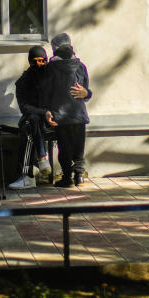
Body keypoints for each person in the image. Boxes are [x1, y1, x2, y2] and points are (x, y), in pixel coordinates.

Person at [42, 33, 92, 188]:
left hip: (61, 115)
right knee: (79, 147)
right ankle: (79, 176)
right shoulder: (80, 66)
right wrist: (86, 94)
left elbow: (46, 92)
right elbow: (85, 90)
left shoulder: (51, 68)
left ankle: (67, 178)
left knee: (65, 148)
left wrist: (46, 109)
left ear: (54, 49)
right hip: (78, 114)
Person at [8, 46, 54, 190]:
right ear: (30, 62)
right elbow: (24, 107)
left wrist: (49, 113)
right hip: (33, 120)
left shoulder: (52, 77)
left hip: (51, 120)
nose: (40, 64)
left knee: (31, 126)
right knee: (31, 124)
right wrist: (43, 112)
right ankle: (40, 160)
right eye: (36, 61)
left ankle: (28, 175)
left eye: (42, 60)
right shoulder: (23, 82)